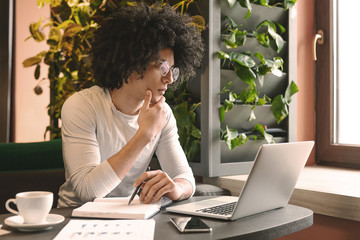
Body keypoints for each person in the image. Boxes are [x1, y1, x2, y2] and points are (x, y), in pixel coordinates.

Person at [57, 2, 204, 207]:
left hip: (131, 215)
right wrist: (144, 134)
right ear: (132, 63)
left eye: (173, 69)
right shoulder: (82, 106)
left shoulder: (162, 113)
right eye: (162, 67)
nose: (170, 79)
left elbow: (184, 177)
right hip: (76, 218)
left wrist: (175, 188)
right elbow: (88, 192)